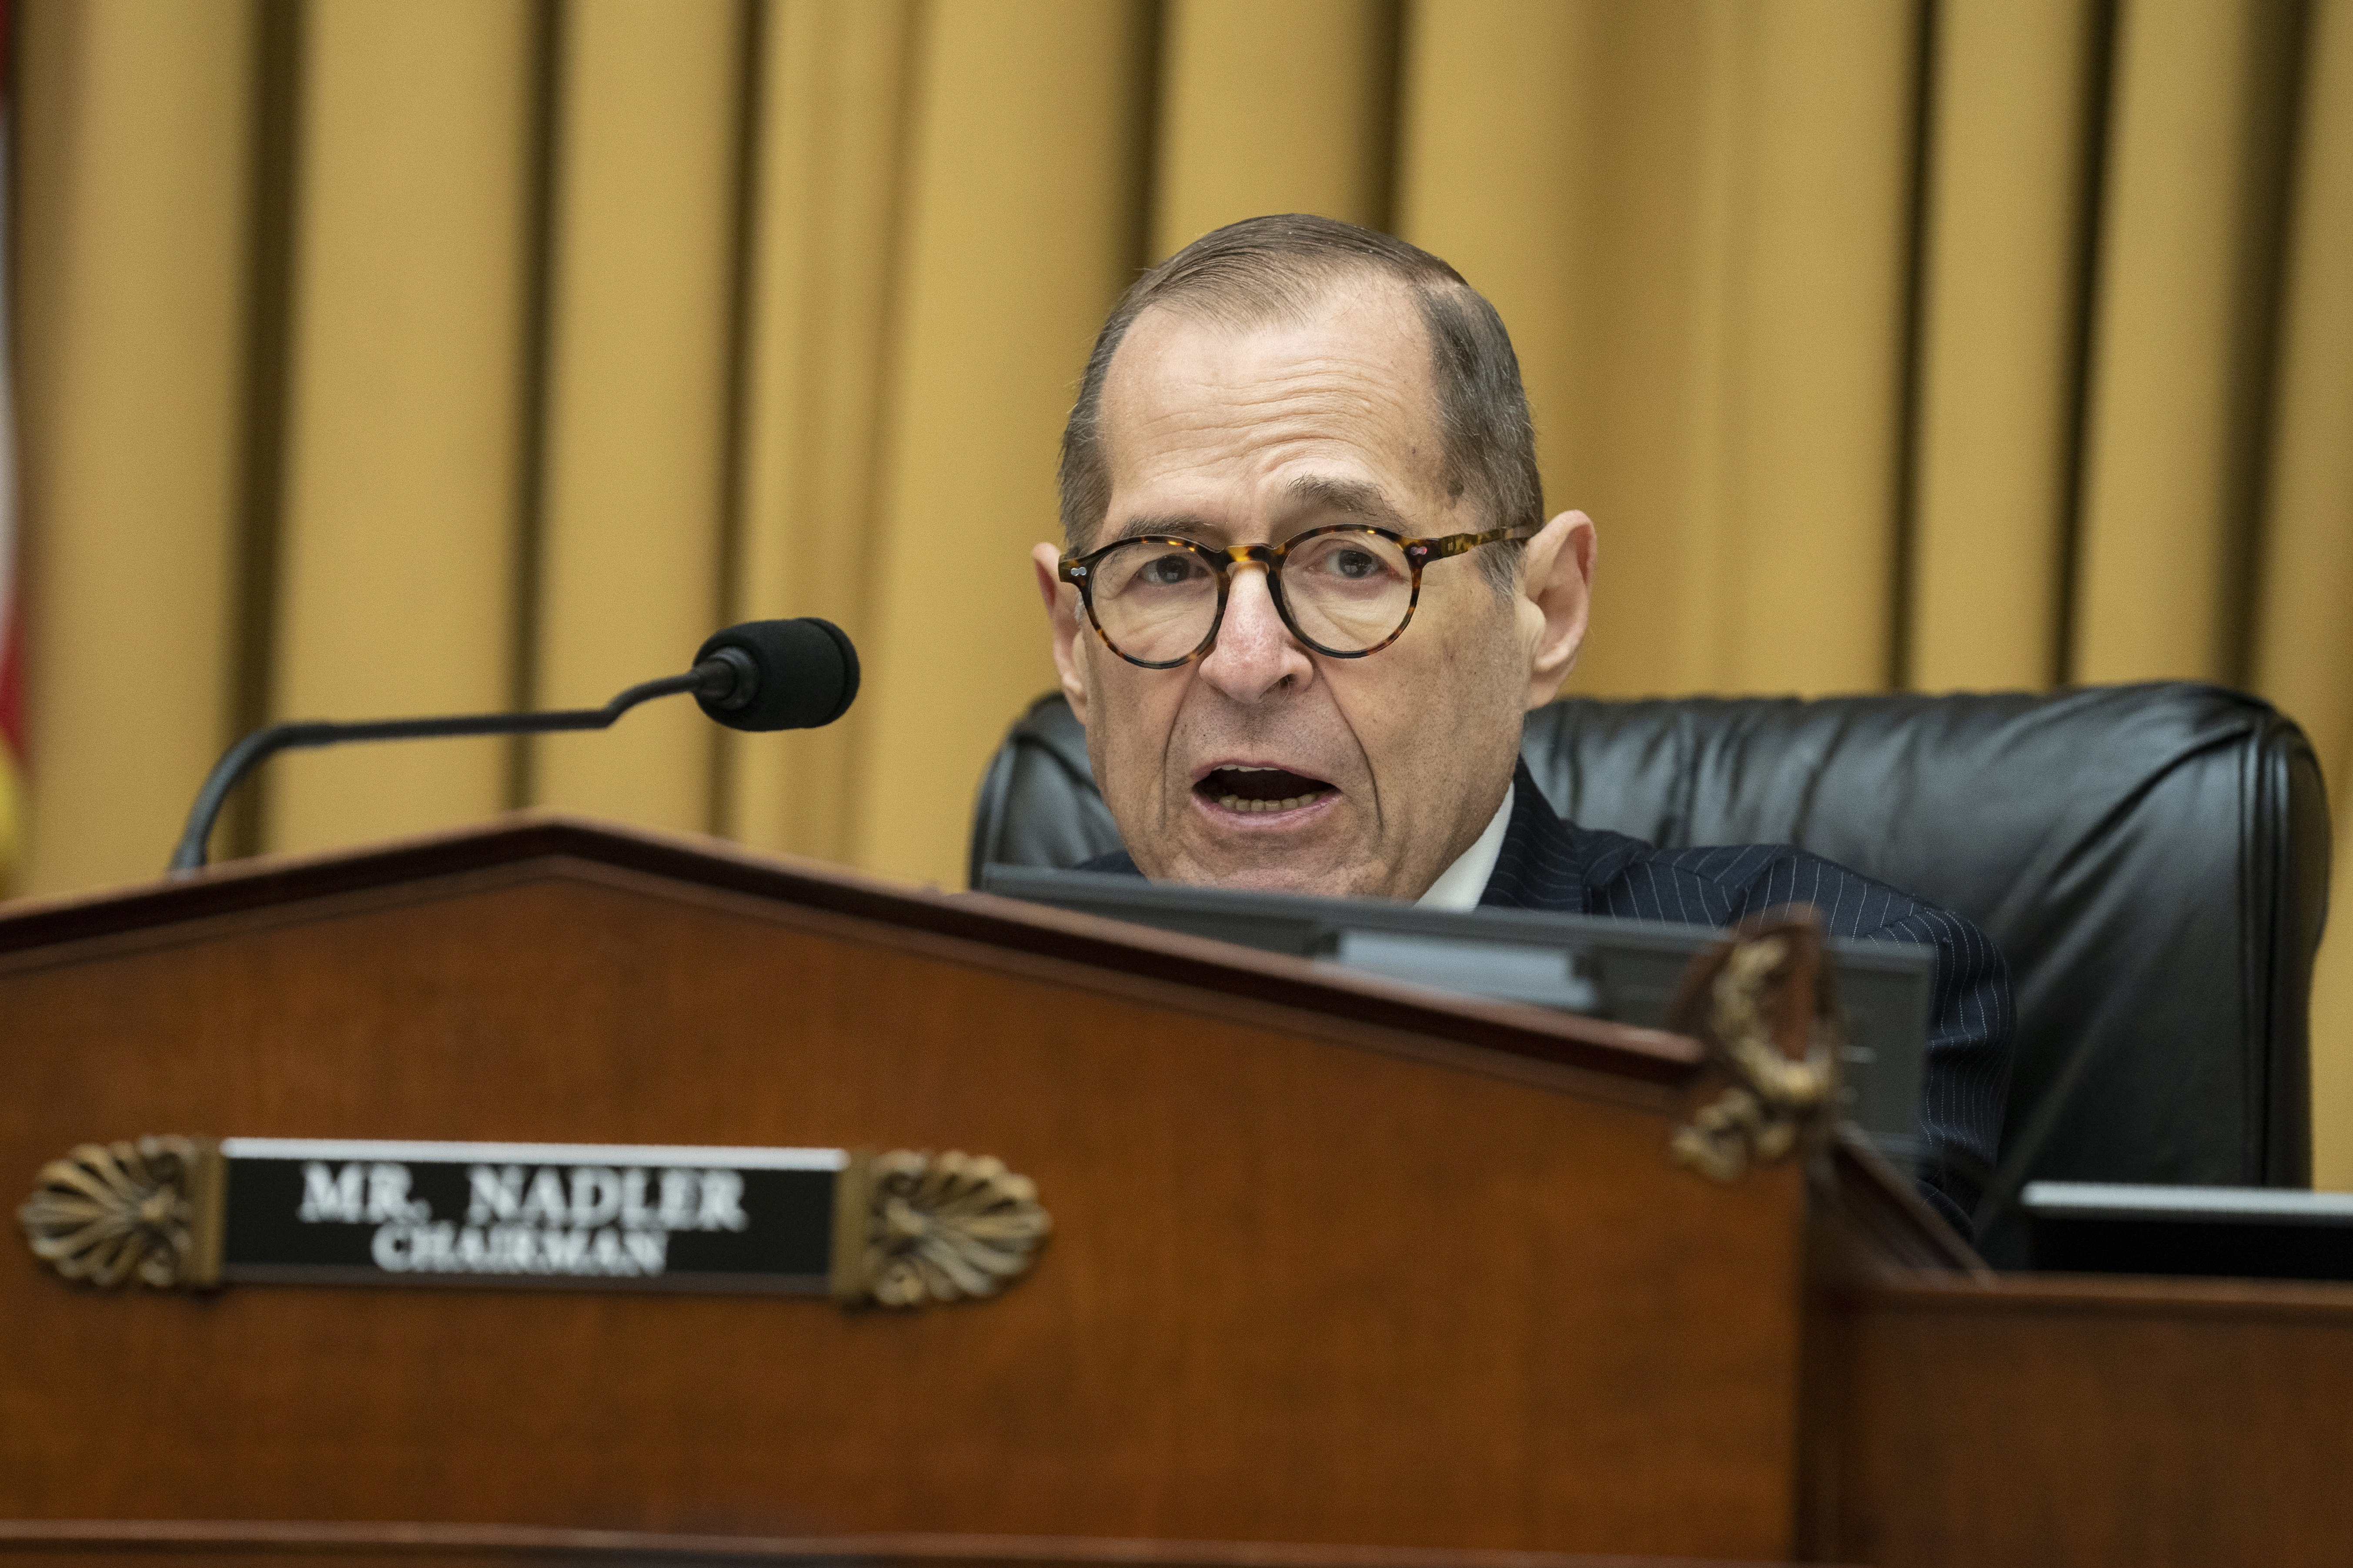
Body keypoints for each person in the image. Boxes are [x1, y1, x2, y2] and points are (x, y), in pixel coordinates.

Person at [1027, 214, 2009, 1238]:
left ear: (1546, 612)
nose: (1246, 661)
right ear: (1071, 639)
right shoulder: (974, 1000)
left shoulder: (1817, 1006)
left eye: (1351, 560)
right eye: (1170, 569)